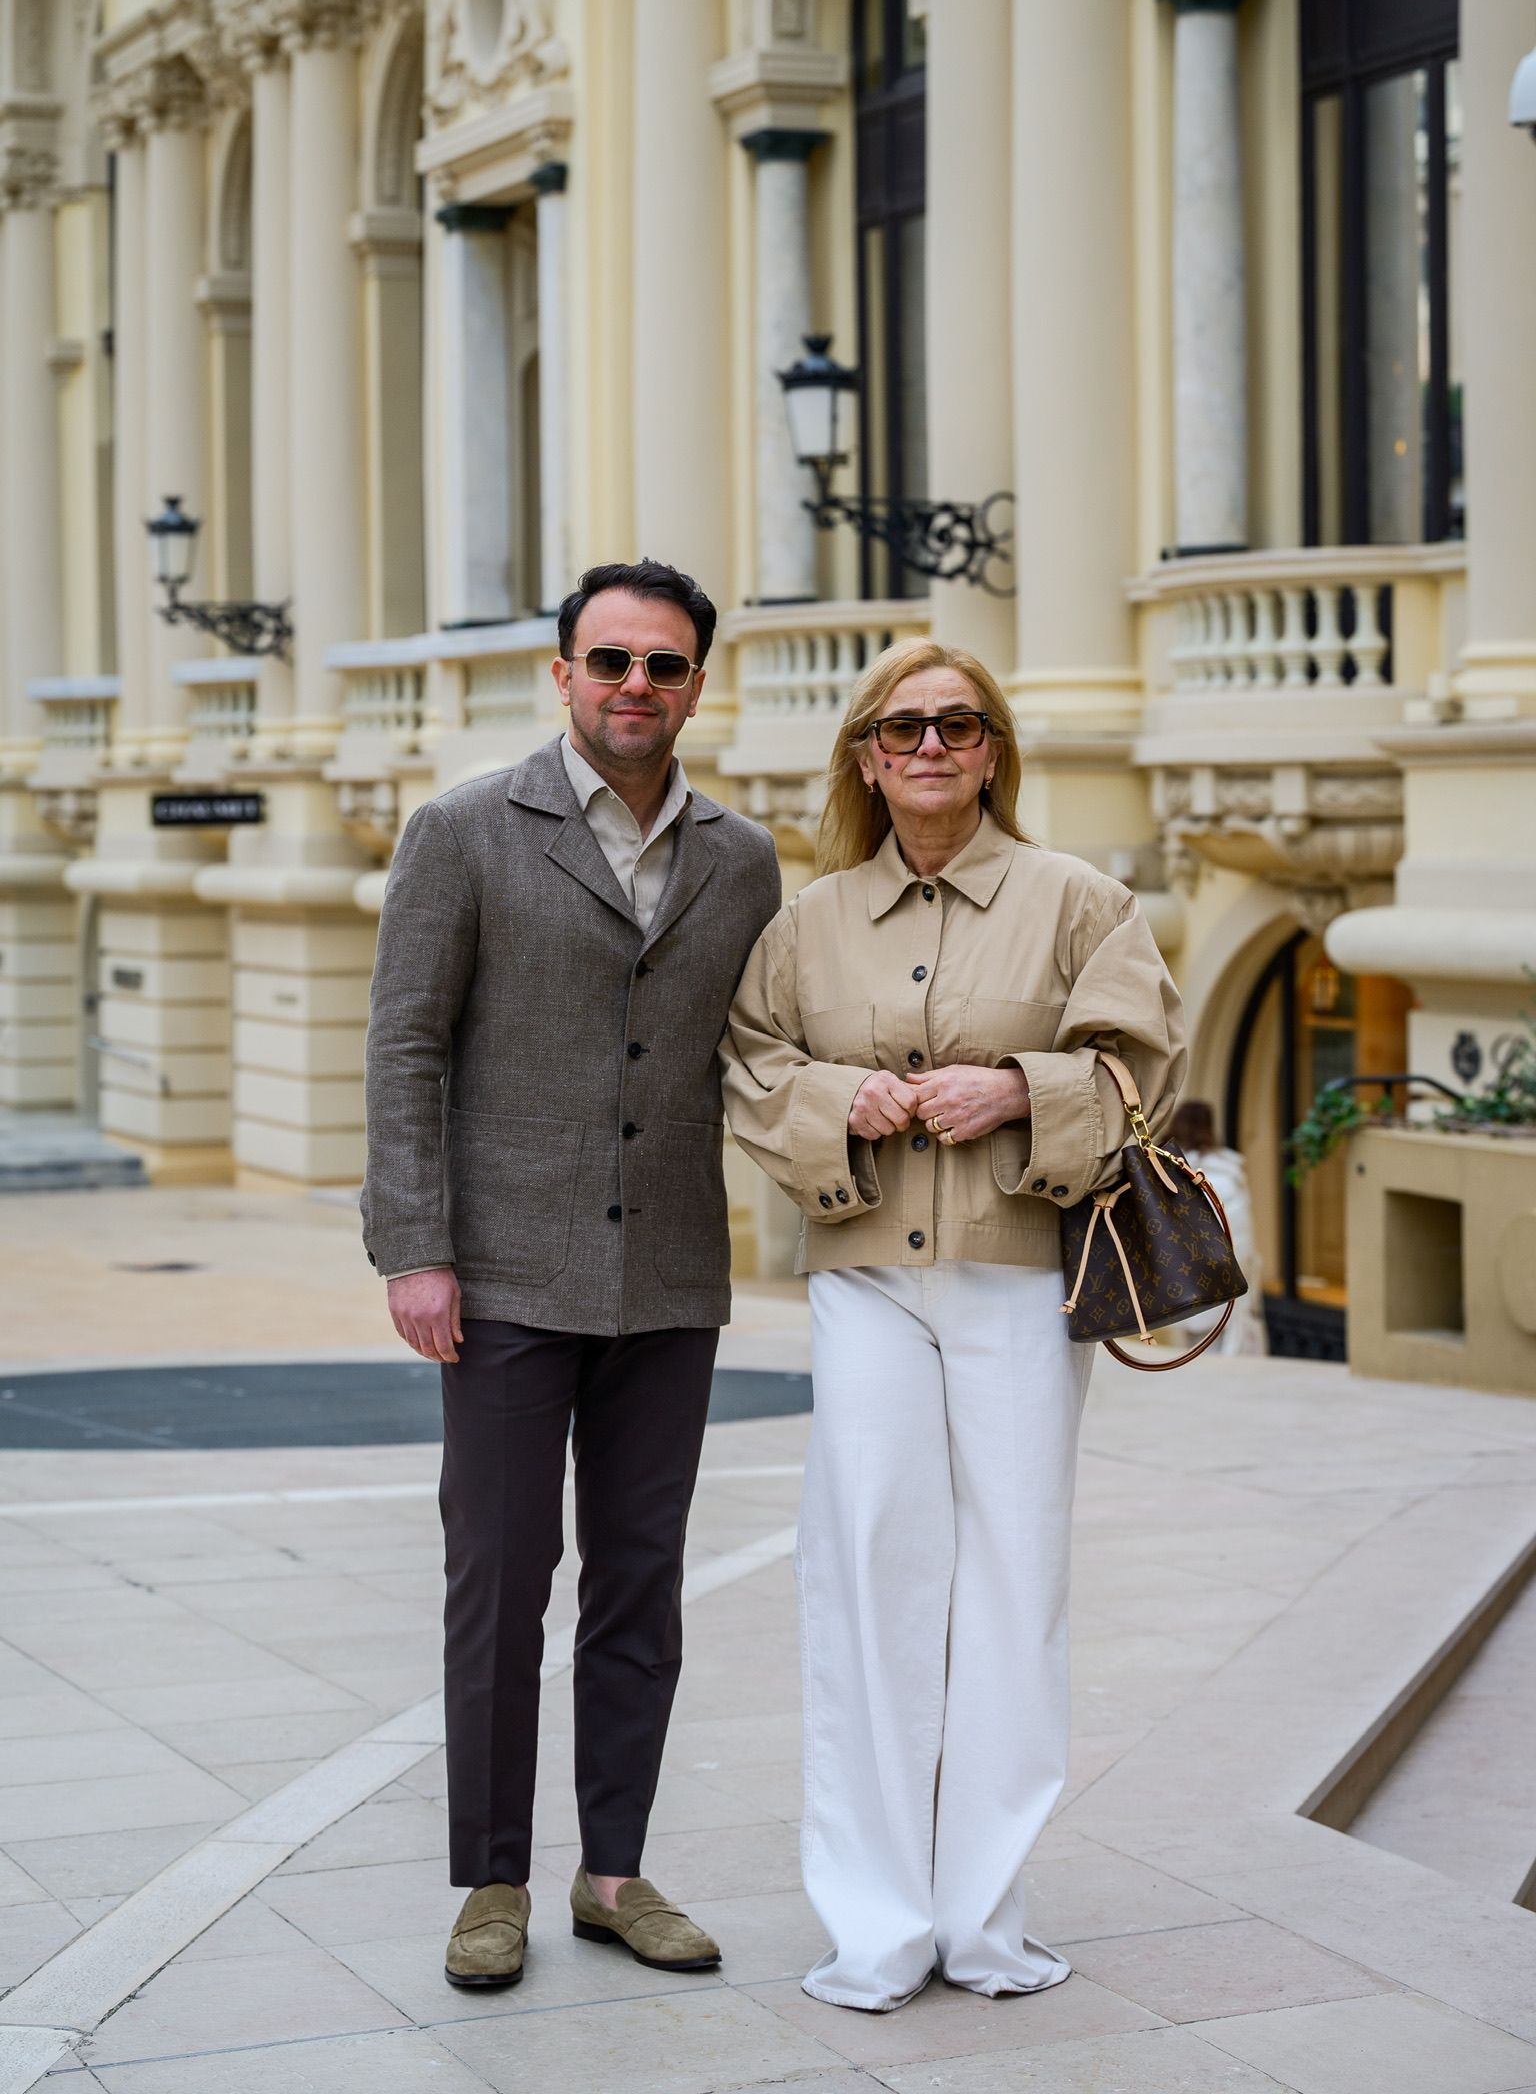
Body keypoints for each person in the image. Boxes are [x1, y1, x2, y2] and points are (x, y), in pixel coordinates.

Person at [720, 639, 1185, 2013]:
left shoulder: (1079, 900)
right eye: (903, 728)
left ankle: (982, 1921)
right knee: (865, 1580)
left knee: (1010, 1588)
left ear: (994, 751)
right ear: (867, 755)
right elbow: (751, 1065)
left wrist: (1022, 1092)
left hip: (1021, 1282)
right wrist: (834, 1107)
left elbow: (1143, 1060)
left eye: (959, 726)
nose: (931, 747)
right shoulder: (806, 926)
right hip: (865, 1276)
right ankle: (875, 1927)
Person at [362, 560, 781, 1992]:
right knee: (498, 1580)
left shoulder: (743, 858)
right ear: (562, 675)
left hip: (668, 1277)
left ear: (696, 686)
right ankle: (492, 1879)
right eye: (610, 661)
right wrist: (415, 1248)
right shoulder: (467, 831)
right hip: (504, 1275)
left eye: (664, 666)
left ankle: (613, 1872)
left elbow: (761, 1050)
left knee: (640, 1584)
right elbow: (406, 1048)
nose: (635, 688)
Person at [1167, 1099, 1268, 1356]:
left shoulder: (1162, 1173)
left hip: (1176, 1279)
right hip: (1223, 1280)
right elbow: (1240, 1237)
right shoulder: (1228, 1173)